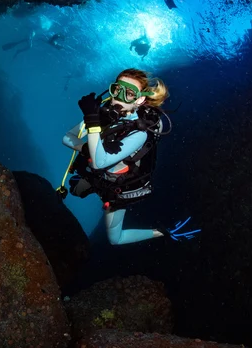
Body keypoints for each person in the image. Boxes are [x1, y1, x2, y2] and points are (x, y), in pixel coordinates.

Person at [60, 68, 199, 244]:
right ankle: (88, 186)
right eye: (117, 90)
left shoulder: (140, 133)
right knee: (75, 191)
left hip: (119, 186)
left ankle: (162, 232)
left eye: (129, 93)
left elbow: (98, 162)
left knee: (114, 239)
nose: (119, 97)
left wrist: (92, 122)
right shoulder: (102, 114)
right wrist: (88, 148)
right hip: (98, 175)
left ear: (140, 100)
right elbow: (67, 138)